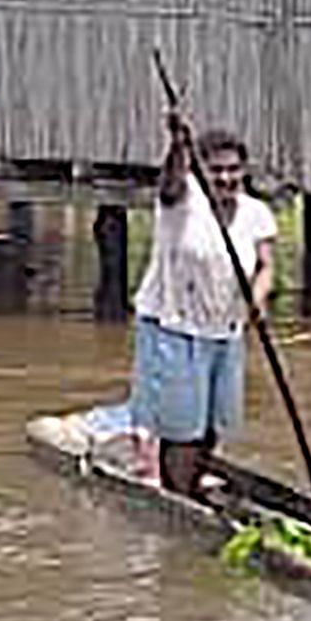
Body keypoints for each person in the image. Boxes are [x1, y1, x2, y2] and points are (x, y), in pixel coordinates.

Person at [131, 112, 276, 497]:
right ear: (201, 172)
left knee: (215, 423)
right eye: (216, 171)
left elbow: (265, 267)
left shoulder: (255, 213)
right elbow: (169, 185)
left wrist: (257, 302)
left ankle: (190, 484)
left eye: (234, 170)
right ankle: (178, 498)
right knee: (183, 428)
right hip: (174, 325)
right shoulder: (182, 202)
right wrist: (178, 145)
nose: (226, 179)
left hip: (225, 329)